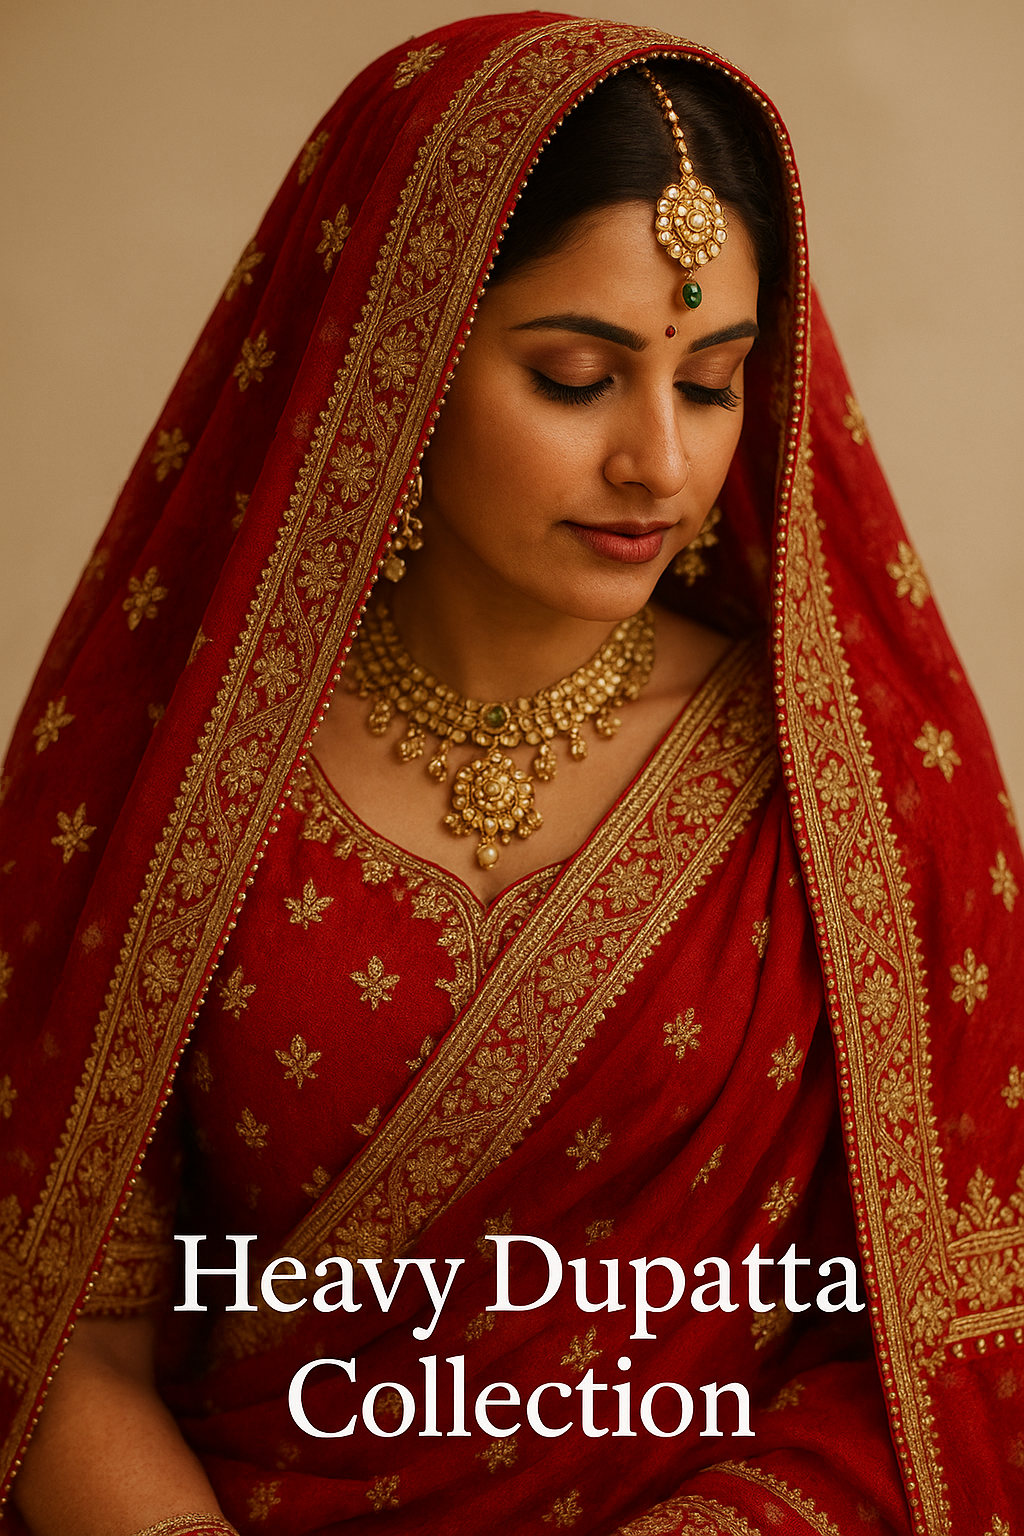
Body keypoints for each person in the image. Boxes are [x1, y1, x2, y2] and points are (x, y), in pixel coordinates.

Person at [1, 12, 1021, 1535]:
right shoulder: (181, 780)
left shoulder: (856, 793)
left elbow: (951, 1340)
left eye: (713, 382)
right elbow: (59, 1334)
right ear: (392, 362)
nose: (660, 466)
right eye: (573, 376)